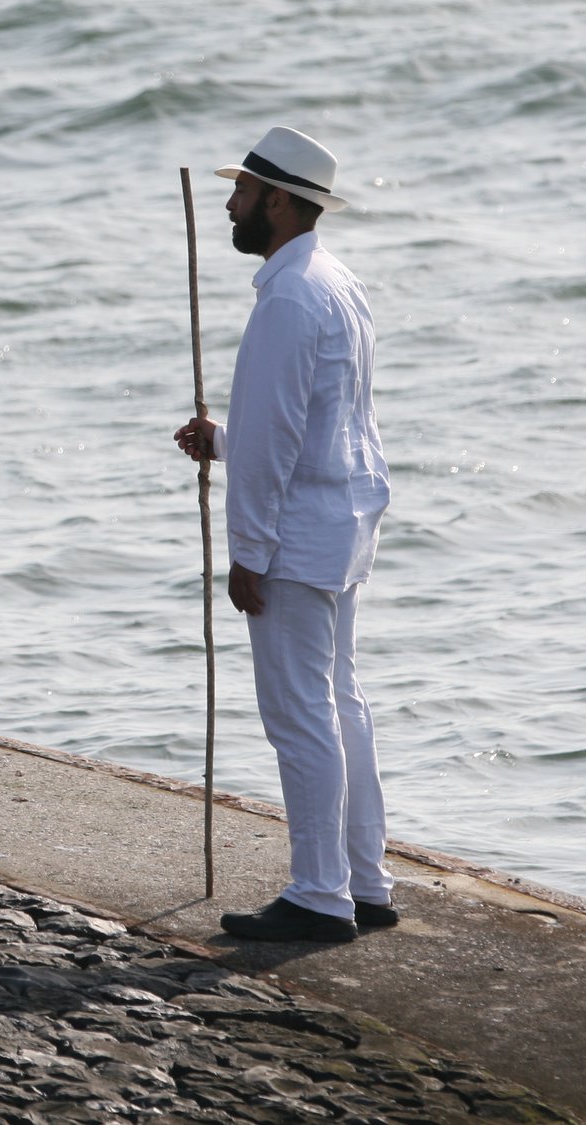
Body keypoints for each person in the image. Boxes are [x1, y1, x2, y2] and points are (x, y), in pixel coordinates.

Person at [173, 127, 396, 943]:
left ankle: (318, 893)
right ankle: (363, 881)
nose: (231, 203)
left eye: (242, 191)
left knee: (302, 713)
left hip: (301, 536)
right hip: (344, 519)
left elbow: (275, 440)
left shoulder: (289, 297)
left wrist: (247, 553)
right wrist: (225, 439)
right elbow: (320, 422)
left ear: (278, 201)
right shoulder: (335, 281)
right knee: (341, 702)